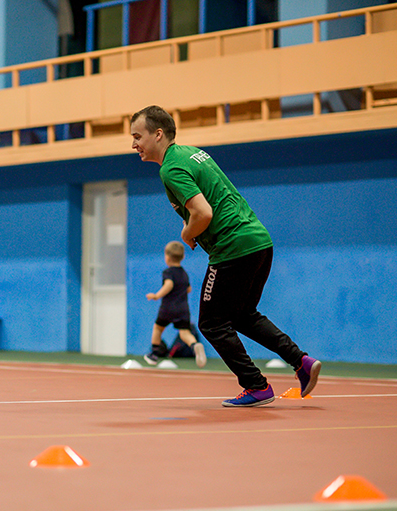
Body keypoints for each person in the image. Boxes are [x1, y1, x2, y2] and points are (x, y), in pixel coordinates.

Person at [130, 105, 320, 407]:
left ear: (158, 134)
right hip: (258, 240)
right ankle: (301, 362)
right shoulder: (192, 154)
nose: (134, 145)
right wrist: (192, 227)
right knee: (242, 315)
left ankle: (256, 385)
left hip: (233, 247)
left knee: (211, 322)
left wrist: (187, 234)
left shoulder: (170, 168)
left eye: (138, 136)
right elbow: (209, 202)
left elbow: (203, 212)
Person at [144, 240, 206, 368]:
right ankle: (195, 345)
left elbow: (169, 284)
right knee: (184, 333)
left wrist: (157, 295)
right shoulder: (184, 273)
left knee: (158, 328)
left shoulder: (168, 272)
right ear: (182, 257)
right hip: (183, 309)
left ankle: (154, 354)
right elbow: (188, 289)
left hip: (168, 308)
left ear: (167, 257)